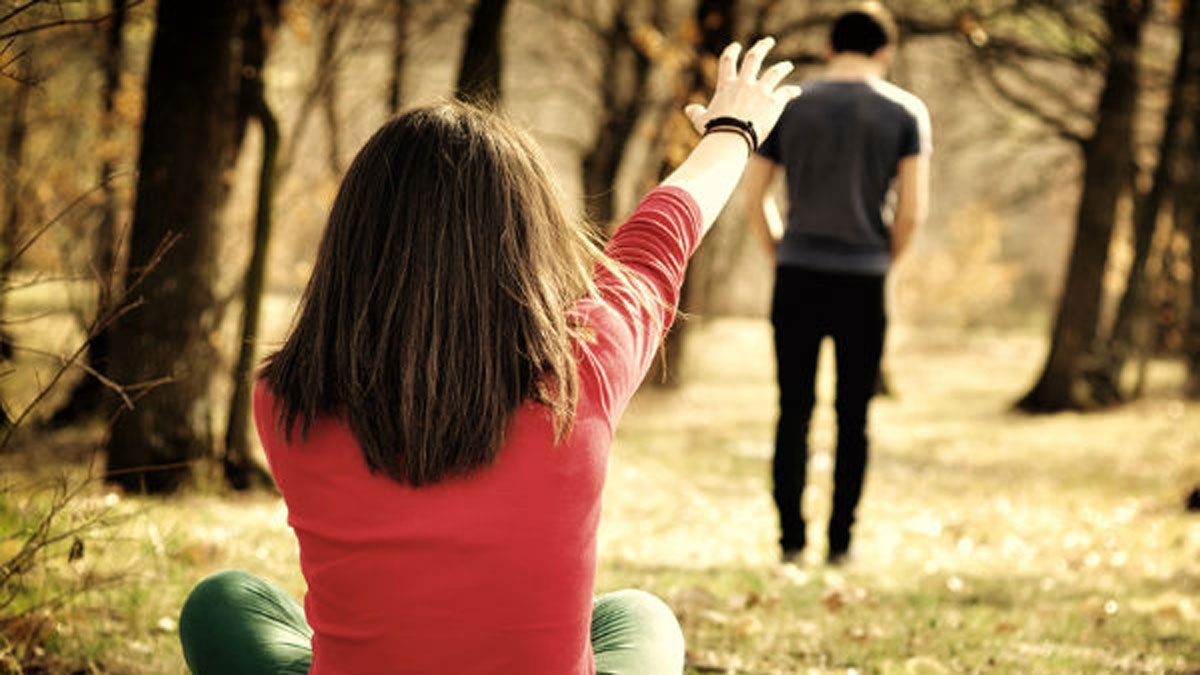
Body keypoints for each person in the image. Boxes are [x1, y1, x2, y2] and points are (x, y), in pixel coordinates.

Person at [178, 38, 799, 675]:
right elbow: (659, 240)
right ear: (527, 242)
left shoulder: (285, 401)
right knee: (641, 616)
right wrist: (733, 130)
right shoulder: (584, 367)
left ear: (352, 243)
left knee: (221, 603)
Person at [741, 2, 931, 565]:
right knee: (854, 416)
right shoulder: (905, 112)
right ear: (885, 53)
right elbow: (912, 211)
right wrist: (883, 259)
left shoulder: (791, 105)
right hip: (863, 282)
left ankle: (791, 543)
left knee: (793, 410)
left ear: (829, 48)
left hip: (797, 275)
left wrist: (778, 250)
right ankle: (841, 544)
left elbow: (755, 196)